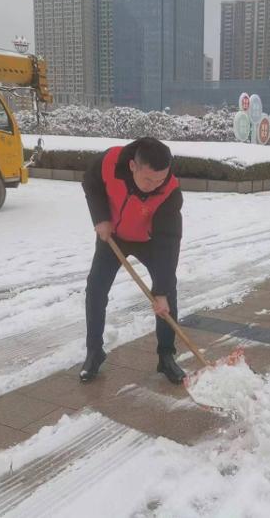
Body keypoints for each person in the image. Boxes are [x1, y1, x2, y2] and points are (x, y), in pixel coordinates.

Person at [80, 137, 185, 384]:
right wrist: (100, 218)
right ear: (132, 167)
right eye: (149, 179)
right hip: (113, 236)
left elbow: (169, 243)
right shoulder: (109, 162)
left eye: (161, 179)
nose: (155, 185)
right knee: (95, 289)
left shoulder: (170, 191)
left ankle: (166, 356)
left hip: (150, 241)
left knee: (167, 293)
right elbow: (91, 183)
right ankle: (94, 352)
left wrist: (160, 291)